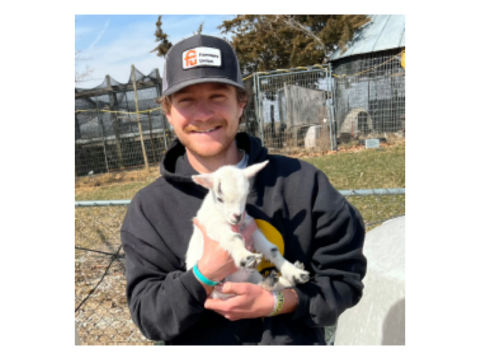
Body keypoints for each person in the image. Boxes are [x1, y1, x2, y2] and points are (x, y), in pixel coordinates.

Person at [121, 34, 367, 347]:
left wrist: (278, 301)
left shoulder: (303, 182)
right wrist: (205, 273)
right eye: (186, 101)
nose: (203, 114)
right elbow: (150, 315)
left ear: (241, 103)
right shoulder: (150, 208)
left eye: (217, 96)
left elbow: (344, 280)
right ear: (168, 113)